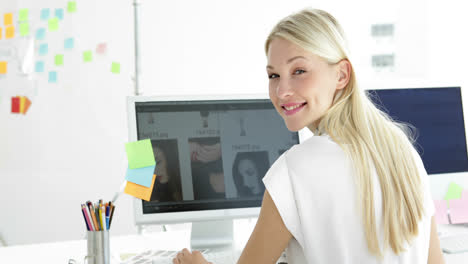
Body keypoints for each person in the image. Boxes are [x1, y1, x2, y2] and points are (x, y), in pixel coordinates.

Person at [173, 8, 445, 264]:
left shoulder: (294, 170)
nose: (282, 91)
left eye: (299, 71)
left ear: (341, 75)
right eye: (274, 75)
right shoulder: (401, 149)